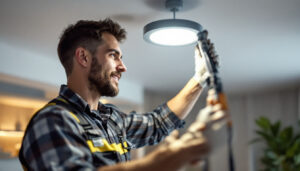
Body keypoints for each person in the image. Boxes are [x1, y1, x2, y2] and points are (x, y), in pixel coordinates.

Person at [19, 18, 225, 171]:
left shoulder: (112, 118)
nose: (123, 67)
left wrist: (199, 78)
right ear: (83, 57)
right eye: (113, 55)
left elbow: (158, 123)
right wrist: (173, 156)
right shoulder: (53, 120)